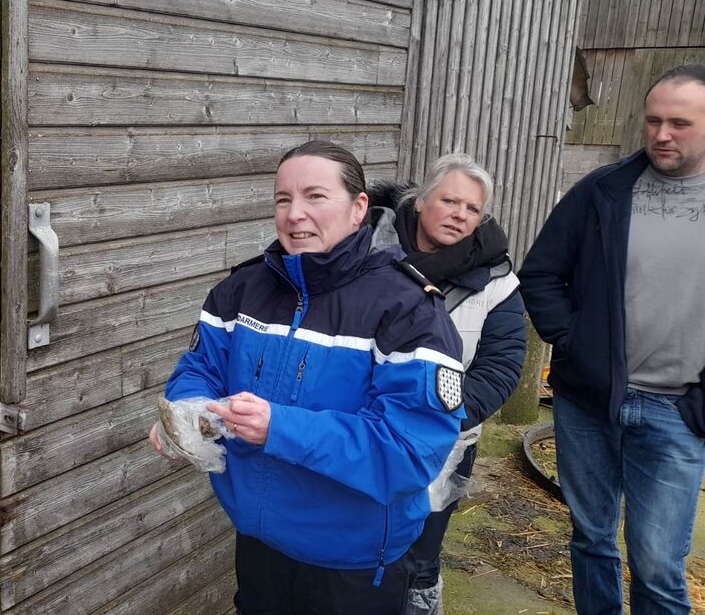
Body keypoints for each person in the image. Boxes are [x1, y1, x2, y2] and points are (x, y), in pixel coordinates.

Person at [150, 140, 466, 614]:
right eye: (283, 199)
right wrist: (189, 415)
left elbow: (409, 451)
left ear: (359, 208)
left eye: (315, 197)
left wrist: (279, 428)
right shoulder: (241, 290)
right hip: (258, 541)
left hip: (352, 563)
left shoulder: (408, 309)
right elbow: (199, 369)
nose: (295, 214)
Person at [518, 63, 705, 614]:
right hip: (589, 402)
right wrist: (576, 343)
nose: (661, 134)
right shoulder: (604, 191)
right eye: (653, 121)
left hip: (678, 410)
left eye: (680, 123)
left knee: (657, 565)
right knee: (592, 539)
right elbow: (541, 274)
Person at [369, 155, 527, 615]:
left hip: (443, 442)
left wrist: (438, 418)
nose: (460, 214)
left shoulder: (497, 284)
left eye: (472, 209)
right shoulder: (365, 254)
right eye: (449, 200)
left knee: (419, 557)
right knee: (355, 544)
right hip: (359, 433)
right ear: (420, 202)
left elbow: (499, 368)